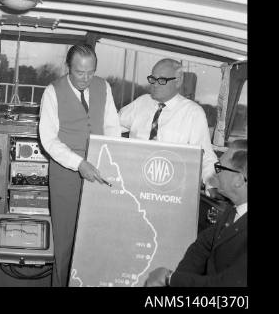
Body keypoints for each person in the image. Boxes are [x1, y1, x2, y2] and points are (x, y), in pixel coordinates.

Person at [39, 44, 121, 286]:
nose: (86, 79)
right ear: (68, 68)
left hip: (99, 167)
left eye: (91, 72)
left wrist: (112, 160)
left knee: (95, 237)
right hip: (65, 171)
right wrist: (78, 163)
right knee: (64, 241)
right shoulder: (52, 92)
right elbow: (49, 140)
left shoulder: (103, 86)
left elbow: (112, 127)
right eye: (79, 73)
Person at [144, 140, 247, 287]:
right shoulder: (234, 210)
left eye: (219, 168)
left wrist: (170, 279)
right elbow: (204, 245)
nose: (215, 174)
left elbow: (228, 284)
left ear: (238, 180)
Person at [119, 58, 218, 189]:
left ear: (178, 81)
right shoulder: (141, 103)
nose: (154, 84)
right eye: (152, 79)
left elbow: (205, 156)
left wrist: (212, 185)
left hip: (168, 185)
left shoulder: (193, 113)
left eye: (161, 80)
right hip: (132, 178)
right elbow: (110, 126)